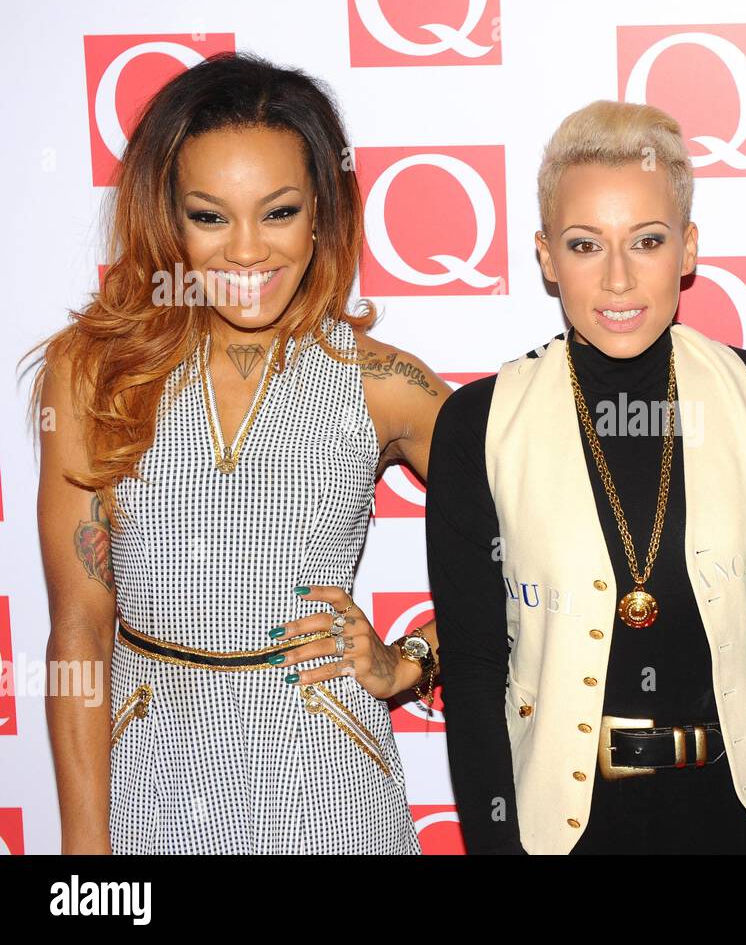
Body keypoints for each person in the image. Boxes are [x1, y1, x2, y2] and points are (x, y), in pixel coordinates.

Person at [30, 52, 449, 854]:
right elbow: (79, 626)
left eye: (280, 211)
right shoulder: (90, 371)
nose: (248, 252)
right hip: (152, 775)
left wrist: (413, 661)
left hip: (331, 778)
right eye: (211, 216)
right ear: (167, 218)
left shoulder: (379, 382)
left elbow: (536, 545)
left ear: (323, 212)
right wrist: (84, 845)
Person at [427, 100, 746, 854]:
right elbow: (477, 668)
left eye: (646, 241)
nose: (617, 278)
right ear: (547, 257)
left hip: (741, 817)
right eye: (586, 245)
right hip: (566, 830)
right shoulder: (478, 423)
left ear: (688, 248)